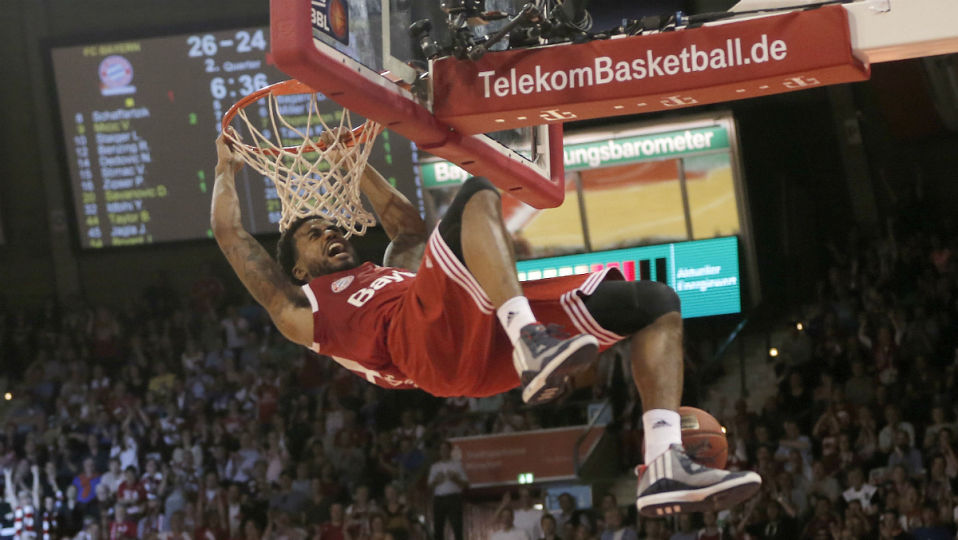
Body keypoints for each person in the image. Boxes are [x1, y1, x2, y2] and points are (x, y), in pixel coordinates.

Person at [212, 131, 760, 514]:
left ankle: (664, 457)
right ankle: (531, 341)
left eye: (331, 226)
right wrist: (224, 172)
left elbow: (405, 227)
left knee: (654, 302)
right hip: (424, 348)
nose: (331, 231)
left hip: (477, 350)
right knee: (475, 192)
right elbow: (233, 240)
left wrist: (353, 164)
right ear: (299, 265)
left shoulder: (389, 272)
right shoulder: (304, 308)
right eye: (314, 234)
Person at [427, 441, 467, 540]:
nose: (444, 451)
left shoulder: (457, 465)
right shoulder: (435, 467)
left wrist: (455, 479)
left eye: (446, 449)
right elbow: (429, 485)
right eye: (441, 449)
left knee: (457, 527)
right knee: (438, 528)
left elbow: (466, 484)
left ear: (450, 450)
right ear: (439, 451)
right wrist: (437, 480)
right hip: (439, 499)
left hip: (454, 498)